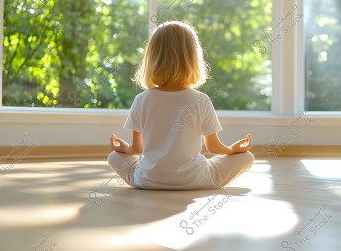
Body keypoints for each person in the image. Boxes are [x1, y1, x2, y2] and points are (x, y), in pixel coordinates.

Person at [108, 21, 254, 190]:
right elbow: (213, 147)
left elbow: (138, 148)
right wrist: (232, 149)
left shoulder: (142, 99)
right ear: (193, 59)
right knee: (247, 157)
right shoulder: (202, 100)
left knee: (114, 156)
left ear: (152, 58)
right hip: (195, 180)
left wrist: (124, 148)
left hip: (148, 180)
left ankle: (147, 176)